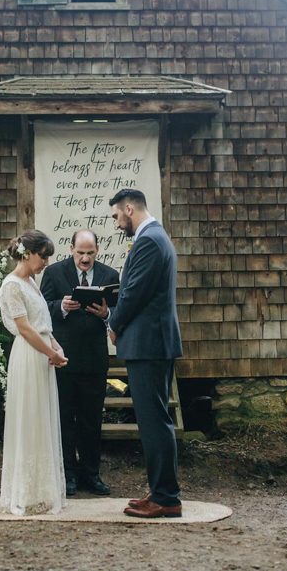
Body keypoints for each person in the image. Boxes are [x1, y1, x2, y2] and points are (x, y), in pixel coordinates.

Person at [107, 189, 183, 518]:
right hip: (153, 341)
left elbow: (134, 292)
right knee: (154, 419)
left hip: (148, 343)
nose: (115, 223)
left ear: (129, 208)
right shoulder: (155, 236)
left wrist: (113, 322)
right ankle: (159, 489)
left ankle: (166, 498)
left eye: (115, 216)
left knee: (154, 422)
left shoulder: (149, 240)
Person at [40, 229, 118, 497]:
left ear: (97, 250)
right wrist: (60, 306)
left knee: (92, 420)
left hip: (95, 359)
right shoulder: (54, 273)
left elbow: (118, 313)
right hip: (64, 358)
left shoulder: (110, 276)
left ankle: (91, 475)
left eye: (90, 253)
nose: (85, 259)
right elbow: (41, 308)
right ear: (71, 248)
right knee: (64, 419)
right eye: (80, 252)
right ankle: (68, 475)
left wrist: (107, 313)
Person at [0, 230, 67, 515]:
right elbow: (25, 328)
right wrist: (49, 352)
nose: (46, 262)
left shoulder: (32, 283)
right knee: (29, 419)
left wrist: (56, 346)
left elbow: (43, 323)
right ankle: (24, 492)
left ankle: (42, 489)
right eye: (43, 256)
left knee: (43, 419)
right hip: (28, 355)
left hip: (42, 353)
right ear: (27, 254)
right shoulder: (11, 285)